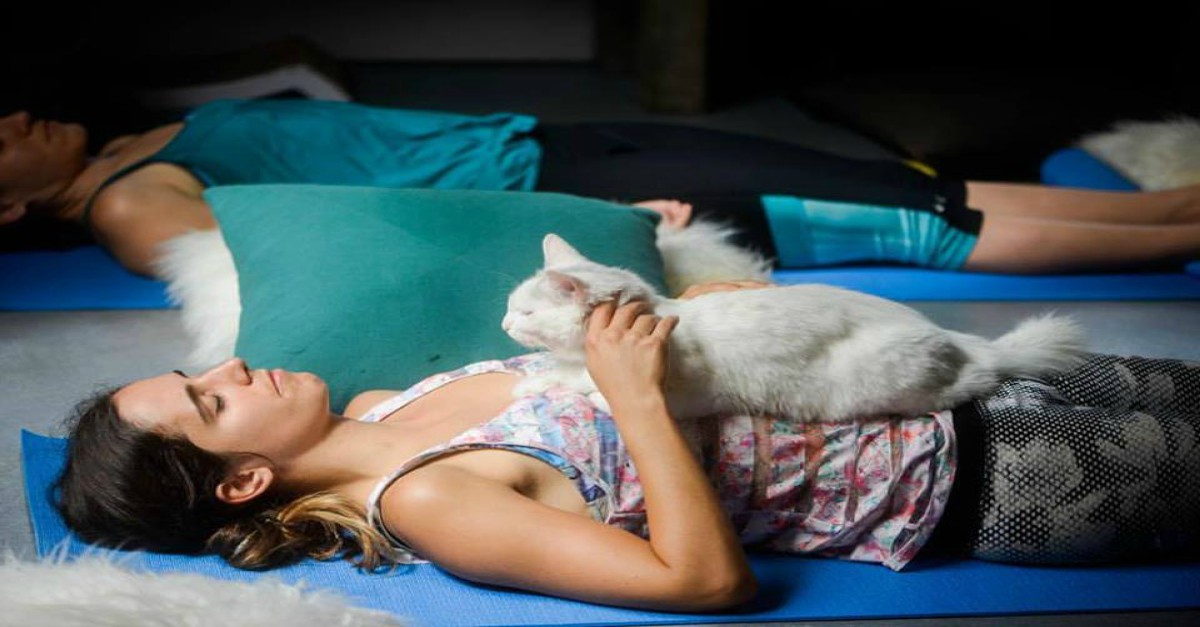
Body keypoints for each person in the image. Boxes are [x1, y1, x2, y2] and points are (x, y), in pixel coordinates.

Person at [54, 282, 1200, 612]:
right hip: (976, 478)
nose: (230, 367)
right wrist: (636, 396)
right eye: (209, 401)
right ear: (247, 480)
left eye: (204, 369)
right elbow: (703, 583)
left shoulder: (396, 400)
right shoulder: (429, 503)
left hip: (940, 371)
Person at [2, 99, 1199, 277]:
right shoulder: (128, 205)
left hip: (544, 141)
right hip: (562, 192)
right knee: (910, 227)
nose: (12, 119)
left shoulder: (133, 141)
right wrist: (583, 235)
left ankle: (1174, 209)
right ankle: (1176, 232)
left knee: (887, 178)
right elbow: (310, 253)